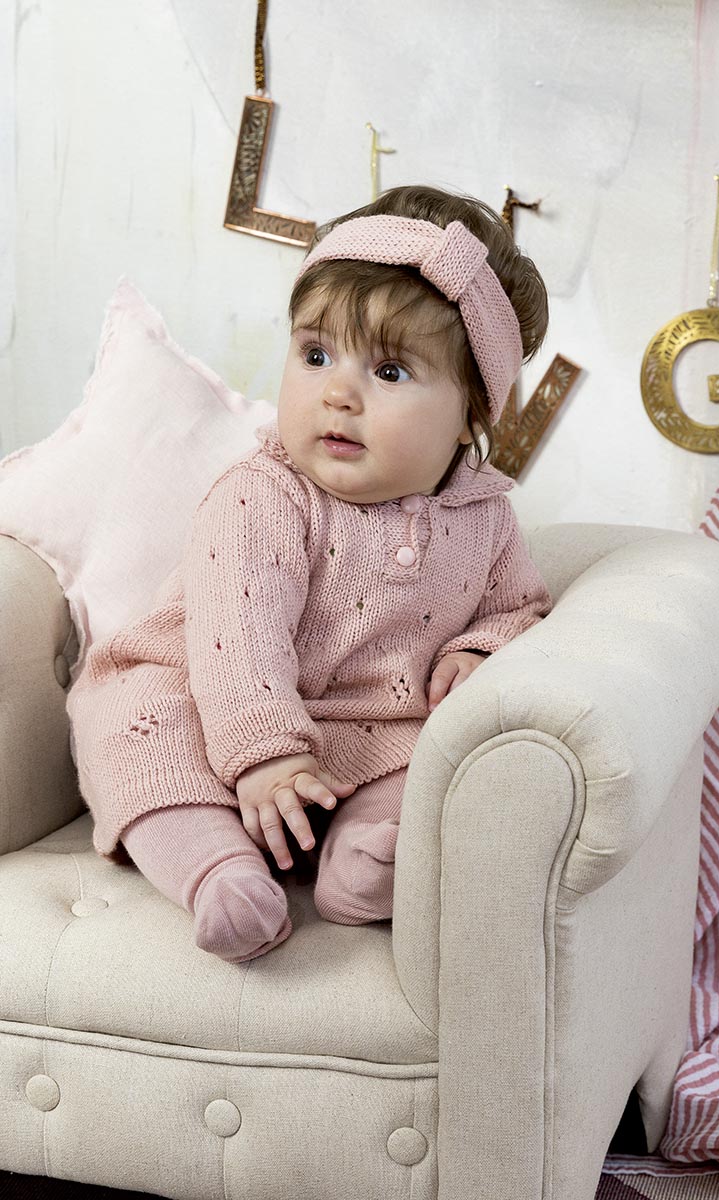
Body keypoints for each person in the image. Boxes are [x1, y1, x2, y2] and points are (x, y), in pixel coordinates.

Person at [67, 184, 552, 965]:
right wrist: (266, 754)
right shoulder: (263, 495)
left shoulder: (484, 518)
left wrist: (479, 649)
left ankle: (364, 859)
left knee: (427, 767)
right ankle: (217, 870)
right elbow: (239, 638)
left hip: (367, 733)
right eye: (316, 355)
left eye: (389, 371)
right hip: (211, 702)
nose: (337, 393)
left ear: (471, 415)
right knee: (141, 739)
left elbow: (519, 608)